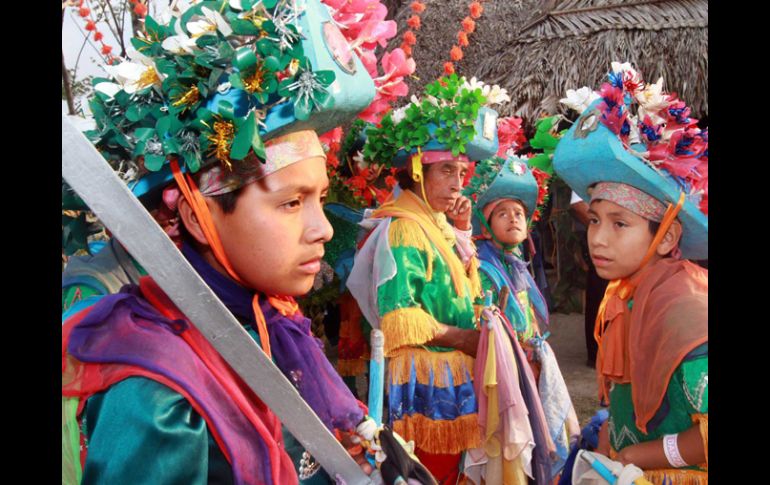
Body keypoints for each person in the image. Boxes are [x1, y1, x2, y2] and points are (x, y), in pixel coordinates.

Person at [62, 1, 380, 483]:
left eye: (319, 198)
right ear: (196, 216)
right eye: (292, 203)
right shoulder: (158, 393)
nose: (324, 228)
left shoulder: (271, 320)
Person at [346, 74, 506, 483]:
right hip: (427, 379)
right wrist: (464, 338)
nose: (457, 183)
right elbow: (399, 316)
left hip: (449, 372)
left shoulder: (435, 223)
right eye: (447, 171)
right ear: (417, 172)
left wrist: (462, 230)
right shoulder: (405, 229)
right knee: (429, 470)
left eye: (462, 172)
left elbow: (460, 289)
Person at [553, 61, 708, 484]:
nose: (598, 239)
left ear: (667, 235)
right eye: (595, 220)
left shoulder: (687, 313)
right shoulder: (626, 294)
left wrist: (638, 454)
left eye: (620, 224)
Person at [464, 152, 580, 482]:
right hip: (502, 379)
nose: (514, 219)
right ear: (484, 224)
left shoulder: (518, 268)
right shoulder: (483, 269)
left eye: (519, 213)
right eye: (502, 213)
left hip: (529, 369)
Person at [569, 191, 609, 368]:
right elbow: (577, 204)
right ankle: (597, 354)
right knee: (599, 293)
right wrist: (605, 229)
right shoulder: (593, 167)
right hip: (605, 242)